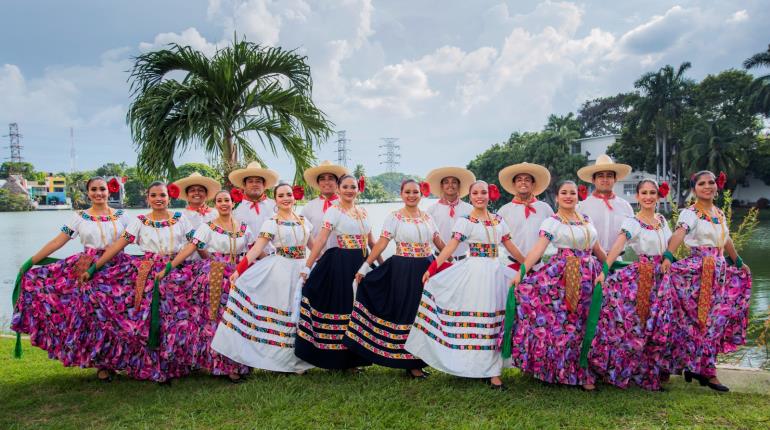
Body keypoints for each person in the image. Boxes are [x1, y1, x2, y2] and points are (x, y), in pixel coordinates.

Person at [405, 181, 524, 389]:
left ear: (490, 195)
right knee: (477, 316)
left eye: (483, 192)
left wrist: (527, 265)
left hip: (495, 272)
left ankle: (494, 371)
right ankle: (471, 366)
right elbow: (450, 246)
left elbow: (510, 246)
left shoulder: (498, 220)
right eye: (475, 193)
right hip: (474, 272)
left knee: (495, 319)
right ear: (470, 197)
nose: (480, 196)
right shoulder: (465, 221)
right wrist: (432, 268)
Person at [12, 177, 131, 376]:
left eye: (102, 189)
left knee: (121, 314)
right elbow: (58, 241)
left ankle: (123, 359)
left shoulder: (123, 216)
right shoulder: (79, 218)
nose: (98, 193)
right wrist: (31, 261)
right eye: (94, 189)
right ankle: (103, 364)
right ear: (88, 193)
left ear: (109, 192)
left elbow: (143, 234)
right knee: (94, 317)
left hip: (119, 268)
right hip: (87, 268)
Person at [78, 181, 194, 383]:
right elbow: (118, 245)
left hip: (176, 270)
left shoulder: (181, 218)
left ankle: (177, 362)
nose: (159, 199)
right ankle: (154, 367)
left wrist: (209, 263)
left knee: (176, 318)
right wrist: (93, 268)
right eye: (154, 195)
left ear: (169, 197)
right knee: (151, 319)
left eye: (162, 195)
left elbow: (194, 244)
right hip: (148, 273)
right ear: (148, 198)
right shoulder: (139, 221)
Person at [510, 180, 607, 391]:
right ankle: (562, 370)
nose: (568, 196)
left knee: (585, 321)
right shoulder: (552, 222)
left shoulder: (587, 220)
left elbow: (597, 248)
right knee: (564, 324)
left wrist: (608, 268)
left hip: (590, 274)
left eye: (572, 193)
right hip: (562, 275)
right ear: (557, 197)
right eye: (564, 192)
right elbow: (538, 249)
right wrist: (522, 272)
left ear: (578, 196)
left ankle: (585, 369)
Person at [660, 170, 752, 392]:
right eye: (702, 183)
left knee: (714, 323)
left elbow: (725, 238)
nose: (708, 186)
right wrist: (668, 257)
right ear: (694, 189)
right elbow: (679, 234)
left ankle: (706, 370)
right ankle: (676, 366)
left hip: (719, 272)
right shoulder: (690, 213)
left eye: (711, 182)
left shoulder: (719, 213)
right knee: (690, 322)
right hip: (698, 272)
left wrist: (738, 262)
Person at [345, 180, 446, 378]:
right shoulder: (395, 217)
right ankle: (409, 363)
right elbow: (382, 243)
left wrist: (454, 261)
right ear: (401, 194)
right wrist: (365, 267)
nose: (411, 195)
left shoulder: (427, 217)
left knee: (422, 313)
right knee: (407, 312)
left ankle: (420, 360)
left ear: (421, 194)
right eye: (407, 192)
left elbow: (438, 241)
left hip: (427, 268)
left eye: (415, 192)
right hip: (403, 269)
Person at [212, 183, 315, 374]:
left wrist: (320, 265)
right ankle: (281, 362)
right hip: (281, 270)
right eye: (281, 195)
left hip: (301, 269)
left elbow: (314, 247)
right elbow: (256, 249)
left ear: (294, 197)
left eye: (289, 194)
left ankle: (300, 361)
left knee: (299, 313)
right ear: (275, 200)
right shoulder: (272, 222)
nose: (286, 198)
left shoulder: (303, 221)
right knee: (284, 313)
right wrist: (239, 271)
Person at [154, 190, 252, 382]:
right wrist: (168, 268)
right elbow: (190, 248)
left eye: (227, 200)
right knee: (216, 319)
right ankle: (221, 364)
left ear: (234, 203)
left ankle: (236, 363)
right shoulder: (207, 227)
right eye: (219, 201)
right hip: (214, 275)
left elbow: (255, 250)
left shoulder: (244, 228)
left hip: (239, 275)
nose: (223, 204)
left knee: (236, 319)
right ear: (215, 204)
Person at [589, 179, 673, 391]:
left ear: (658, 196)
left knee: (659, 326)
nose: (648, 196)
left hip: (663, 277)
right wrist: (605, 270)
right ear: (637, 197)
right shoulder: (632, 222)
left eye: (652, 192)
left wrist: (669, 258)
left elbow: (670, 244)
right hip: (643, 276)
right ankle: (629, 372)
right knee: (638, 326)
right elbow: (618, 246)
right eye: (643, 192)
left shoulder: (662, 219)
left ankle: (652, 373)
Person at [295, 174, 377, 370]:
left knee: (358, 309)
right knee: (342, 308)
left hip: (361, 262)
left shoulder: (363, 212)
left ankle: (356, 358)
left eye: (353, 187)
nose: (349, 190)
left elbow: (372, 242)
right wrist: (308, 266)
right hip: (340, 263)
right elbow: (321, 239)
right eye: (345, 186)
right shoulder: (333, 211)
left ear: (358, 189)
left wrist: (380, 265)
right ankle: (337, 359)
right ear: (339, 190)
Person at [497, 162, 554, 267]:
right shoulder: (504, 211)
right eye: (519, 180)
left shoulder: (545, 208)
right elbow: (499, 239)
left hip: (538, 266)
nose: (523, 183)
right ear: (514, 184)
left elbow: (553, 234)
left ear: (533, 184)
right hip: (512, 265)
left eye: (527, 180)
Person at [577, 155, 634, 255]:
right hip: (591, 261)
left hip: (617, 261)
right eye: (600, 176)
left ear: (615, 179)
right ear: (593, 180)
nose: (605, 179)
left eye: (609, 176)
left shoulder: (625, 207)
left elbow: (632, 236)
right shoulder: (583, 207)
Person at [425, 166, 475, 261]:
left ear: (459, 185)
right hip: (438, 260)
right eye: (446, 182)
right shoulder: (432, 210)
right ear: (441, 186)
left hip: (463, 261)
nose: (450, 185)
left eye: (454, 182)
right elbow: (428, 237)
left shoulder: (470, 209)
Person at [300, 160, 349, 253]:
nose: (326, 182)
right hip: (317, 259)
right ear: (318, 183)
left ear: (337, 183)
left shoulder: (347, 205)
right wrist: (317, 255)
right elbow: (302, 233)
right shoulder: (309, 207)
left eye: (330, 178)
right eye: (322, 179)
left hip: (343, 257)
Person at [229, 162, 279, 251]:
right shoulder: (235, 208)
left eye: (258, 181)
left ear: (264, 185)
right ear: (244, 185)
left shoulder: (275, 206)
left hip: (270, 257)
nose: (254, 184)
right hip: (243, 258)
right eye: (250, 181)